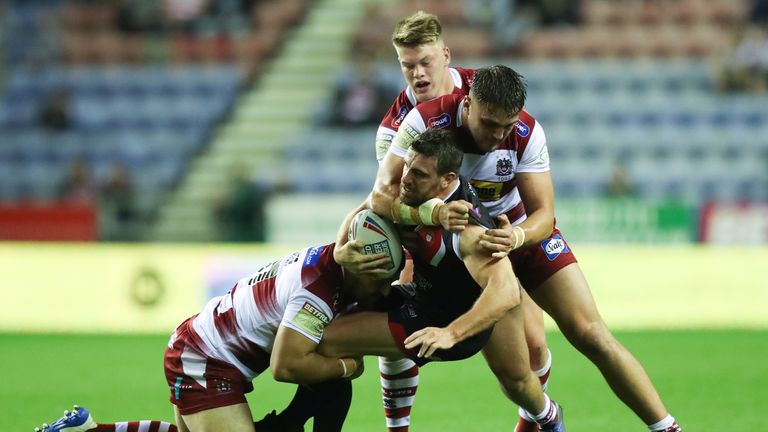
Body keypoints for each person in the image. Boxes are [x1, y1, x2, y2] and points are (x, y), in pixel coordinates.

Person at [369, 63, 682, 432]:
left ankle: (666, 428)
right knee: (410, 331)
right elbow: (380, 196)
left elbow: (544, 216)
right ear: (467, 104)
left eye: (506, 124)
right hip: (449, 241)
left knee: (589, 333)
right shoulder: (425, 121)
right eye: (490, 123)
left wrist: (516, 237)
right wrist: (433, 213)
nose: (499, 134)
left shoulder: (527, 132)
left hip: (515, 232)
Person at [257, 130, 565, 432]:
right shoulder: (413, 196)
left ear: (447, 180)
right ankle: (297, 422)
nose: (405, 179)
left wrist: (451, 333)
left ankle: (550, 419)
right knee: (515, 379)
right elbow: (367, 208)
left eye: (418, 174)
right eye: (407, 167)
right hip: (423, 298)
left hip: (452, 321)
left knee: (518, 380)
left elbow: (507, 293)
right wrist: (340, 250)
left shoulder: (466, 229)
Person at [367, 11, 555, 432]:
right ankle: (398, 427)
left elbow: (516, 136)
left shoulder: (482, 94)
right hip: (432, 239)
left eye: (425, 62)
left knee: (534, 346)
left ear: (445, 55)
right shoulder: (395, 129)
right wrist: (432, 215)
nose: (417, 74)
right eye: (407, 65)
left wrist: (514, 230)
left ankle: (538, 421)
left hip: (494, 234)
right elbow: (390, 199)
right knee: (399, 313)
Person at [34, 239, 393, 432]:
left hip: (202, 345)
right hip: (205, 360)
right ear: (359, 270)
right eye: (379, 279)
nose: (381, 289)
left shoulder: (331, 256)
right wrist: (348, 367)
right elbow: (287, 367)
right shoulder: (316, 291)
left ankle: (85, 430)